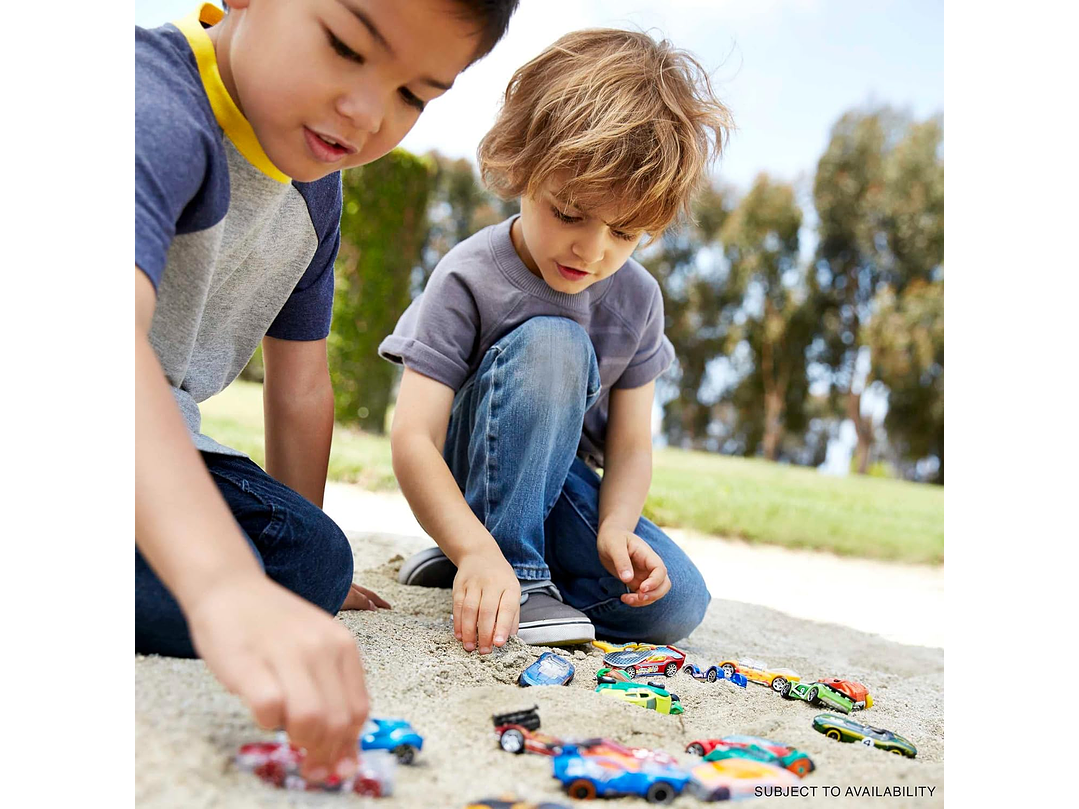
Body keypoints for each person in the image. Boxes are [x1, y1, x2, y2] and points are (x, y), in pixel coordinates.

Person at [135, 0, 519, 780]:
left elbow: (302, 385)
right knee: (231, 581)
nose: (367, 114)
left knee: (312, 558)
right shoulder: (158, 107)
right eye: (345, 46)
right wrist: (221, 587)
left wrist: (288, 557)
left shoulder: (313, 191)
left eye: (415, 94)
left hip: (160, 438)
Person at [380, 28, 733, 656]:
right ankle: (504, 566)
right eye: (569, 213)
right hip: (465, 465)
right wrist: (475, 547)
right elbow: (413, 437)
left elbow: (628, 446)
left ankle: (488, 570)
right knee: (554, 342)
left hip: (556, 481)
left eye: (624, 232)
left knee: (675, 605)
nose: (591, 250)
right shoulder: (470, 274)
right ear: (521, 169)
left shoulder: (638, 300)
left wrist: (618, 527)